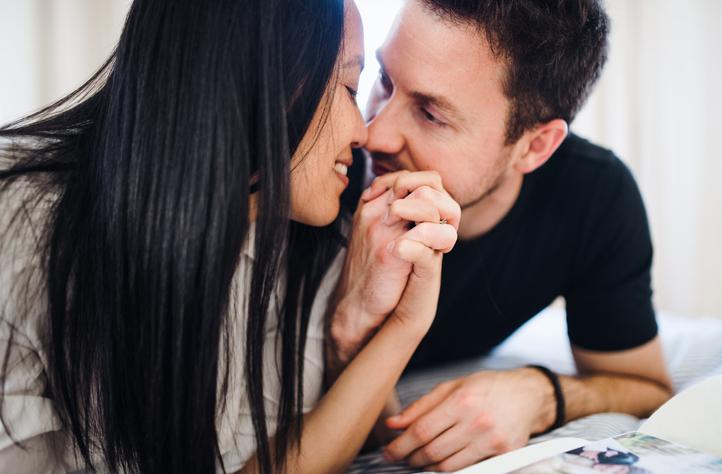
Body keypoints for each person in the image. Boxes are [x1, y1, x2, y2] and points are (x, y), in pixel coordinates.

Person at [0, 1, 460, 473]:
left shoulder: (300, 244)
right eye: (349, 87)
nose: (363, 134)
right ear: (264, 76)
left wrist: (400, 324)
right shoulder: (19, 223)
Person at [328, 0, 674, 471]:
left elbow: (645, 385)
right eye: (384, 80)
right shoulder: (326, 177)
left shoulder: (592, 195)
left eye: (431, 114)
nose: (374, 134)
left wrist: (539, 394)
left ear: (534, 146)